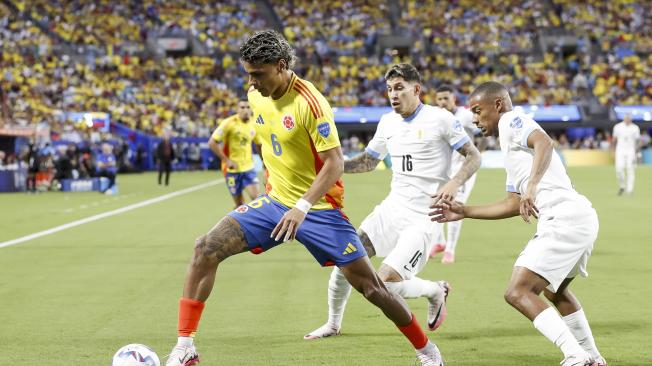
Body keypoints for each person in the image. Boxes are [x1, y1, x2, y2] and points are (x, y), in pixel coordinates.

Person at [165, 30, 444, 366]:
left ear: (281, 66)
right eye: (248, 74)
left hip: (321, 210)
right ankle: (184, 346)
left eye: (258, 74)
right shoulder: (256, 94)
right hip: (273, 204)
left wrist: (301, 207)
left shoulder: (310, 103)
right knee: (205, 248)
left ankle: (427, 352)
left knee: (373, 289)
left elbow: (335, 163)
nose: (251, 83)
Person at [430, 81, 606, 366]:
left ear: (497, 105)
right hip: (579, 217)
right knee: (555, 291)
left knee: (518, 291)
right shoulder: (509, 143)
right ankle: (594, 358)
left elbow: (545, 143)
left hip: (563, 217)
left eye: (478, 110)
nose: (475, 119)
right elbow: (512, 203)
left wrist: (532, 187)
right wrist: (464, 210)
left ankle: (576, 356)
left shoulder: (512, 120)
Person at [304, 64, 481, 340]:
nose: (393, 95)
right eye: (389, 90)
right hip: (391, 210)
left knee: (382, 284)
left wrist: (453, 183)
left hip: (424, 217)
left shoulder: (441, 119)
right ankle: (333, 324)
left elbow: (473, 156)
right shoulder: (387, 122)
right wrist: (332, 166)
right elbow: (368, 162)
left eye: (399, 88)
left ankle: (435, 290)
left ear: (416, 89)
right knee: (345, 260)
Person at [429, 84, 483, 263]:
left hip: (463, 171)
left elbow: (483, 131)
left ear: (454, 99)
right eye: (440, 99)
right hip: (443, 170)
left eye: (446, 98)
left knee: (455, 207)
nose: (443, 102)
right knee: (433, 203)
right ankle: (439, 242)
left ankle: (450, 250)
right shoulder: (436, 117)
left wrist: (476, 154)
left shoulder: (465, 116)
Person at [208, 98, 262, 208]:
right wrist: (226, 160)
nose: (245, 110)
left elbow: (258, 144)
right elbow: (212, 143)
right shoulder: (229, 123)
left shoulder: (254, 123)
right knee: (239, 205)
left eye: (248, 107)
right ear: (237, 109)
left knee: (257, 199)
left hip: (249, 168)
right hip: (232, 170)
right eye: (242, 107)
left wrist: (264, 162)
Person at [612, 113, 640, 195]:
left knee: (630, 169)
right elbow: (614, 139)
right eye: (626, 118)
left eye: (629, 118)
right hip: (620, 150)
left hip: (631, 150)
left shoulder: (635, 128)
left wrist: (637, 152)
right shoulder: (617, 127)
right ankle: (622, 186)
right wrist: (612, 151)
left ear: (631, 119)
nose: (628, 119)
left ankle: (630, 190)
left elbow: (638, 141)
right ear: (624, 118)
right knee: (619, 169)